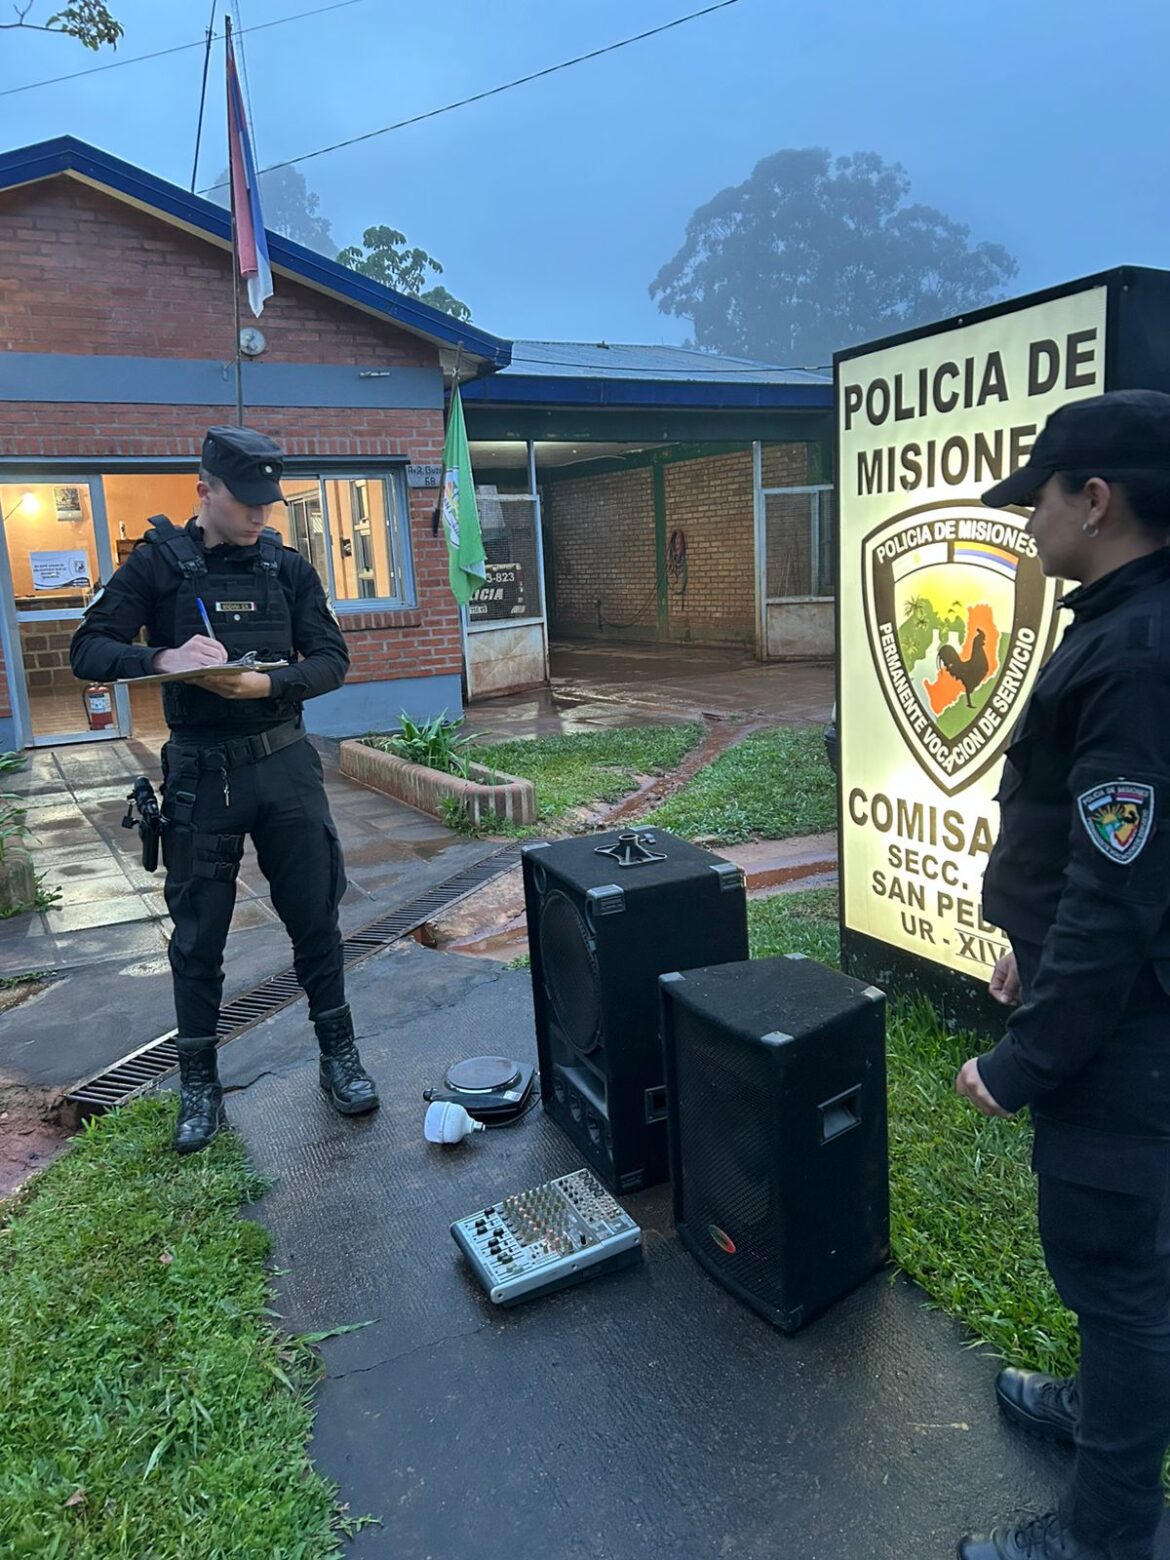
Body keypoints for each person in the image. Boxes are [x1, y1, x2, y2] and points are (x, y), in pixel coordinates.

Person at [954, 389, 1170, 1560]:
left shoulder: (1138, 654)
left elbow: (1118, 897)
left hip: (1123, 1037)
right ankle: (1096, 1412)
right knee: (1118, 1268)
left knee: (1119, 1277)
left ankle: (1111, 1535)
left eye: (1038, 496)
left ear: (1095, 499)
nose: (1028, 520)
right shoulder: (1130, 617)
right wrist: (1026, 949)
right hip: (1109, 1003)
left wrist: (1026, 1057)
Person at [70, 426, 379, 1154]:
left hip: (284, 766)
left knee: (314, 917)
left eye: (269, 502)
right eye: (247, 501)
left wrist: (268, 681)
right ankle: (199, 1084)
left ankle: (340, 1057)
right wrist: (164, 655)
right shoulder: (157, 566)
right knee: (199, 934)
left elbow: (333, 659)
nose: (261, 515)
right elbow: (88, 648)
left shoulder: (287, 569)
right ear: (203, 488)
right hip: (202, 777)